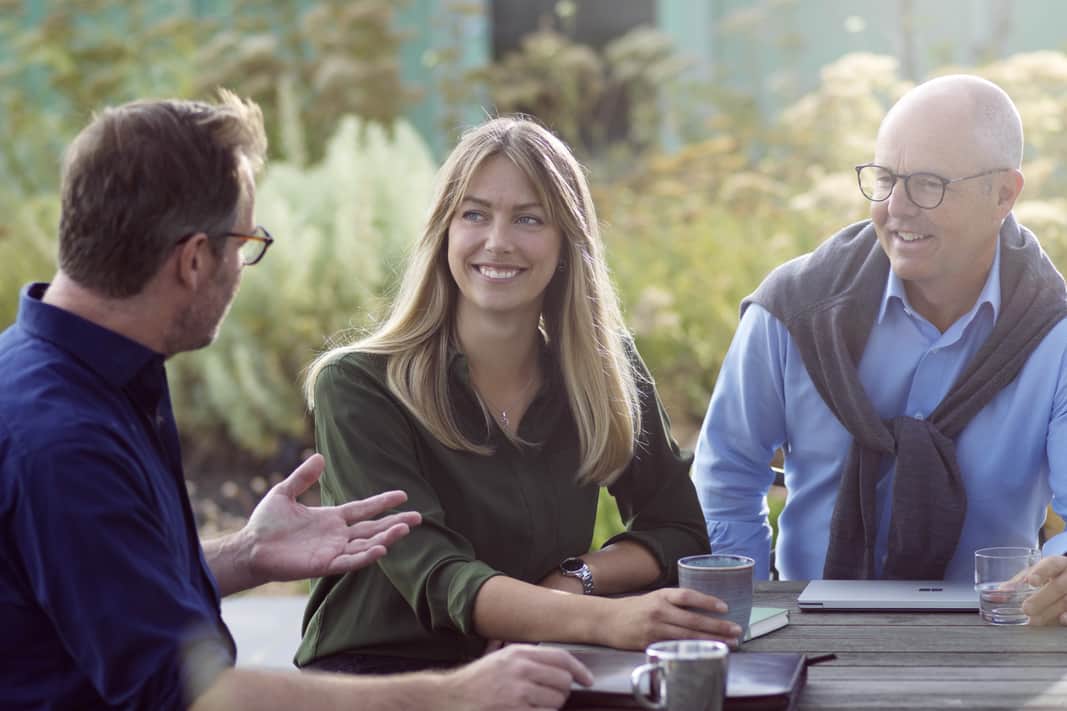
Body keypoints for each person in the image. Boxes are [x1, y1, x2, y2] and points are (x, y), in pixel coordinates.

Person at [0, 93, 594, 710]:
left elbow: (99, 589)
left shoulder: (76, 376)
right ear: (194, 259)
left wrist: (246, 555)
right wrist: (454, 695)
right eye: (244, 245)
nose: (242, 268)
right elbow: (185, 696)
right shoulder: (64, 439)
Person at [298, 115, 734, 675]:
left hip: (536, 663)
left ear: (566, 245)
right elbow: (439, 577)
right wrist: (604, 620)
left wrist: (576, 580)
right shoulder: (358, 386)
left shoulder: (604, 372)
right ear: (444, 233)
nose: (498, 242)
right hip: (382, 675)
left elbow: (678, 529)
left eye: (529, 219)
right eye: (475, 214)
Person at [692, 74, 1067, 624]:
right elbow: (726, 477)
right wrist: (750, 615)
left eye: (929, 184)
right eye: (886, 178)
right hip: (806, 627)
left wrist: (1057, 578)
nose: (896, 208)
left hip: (992, 631)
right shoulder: (793, 312)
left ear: (1004, 195)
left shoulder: (1054, 333)